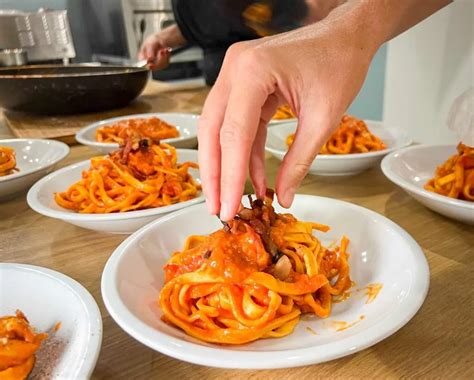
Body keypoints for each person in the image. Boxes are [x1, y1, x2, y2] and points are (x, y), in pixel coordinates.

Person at [142, 0, 452, 221]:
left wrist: (349, 28)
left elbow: (317, 7)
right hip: (225, 88)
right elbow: (214, 15)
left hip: (290, 81)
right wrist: (167, 36)